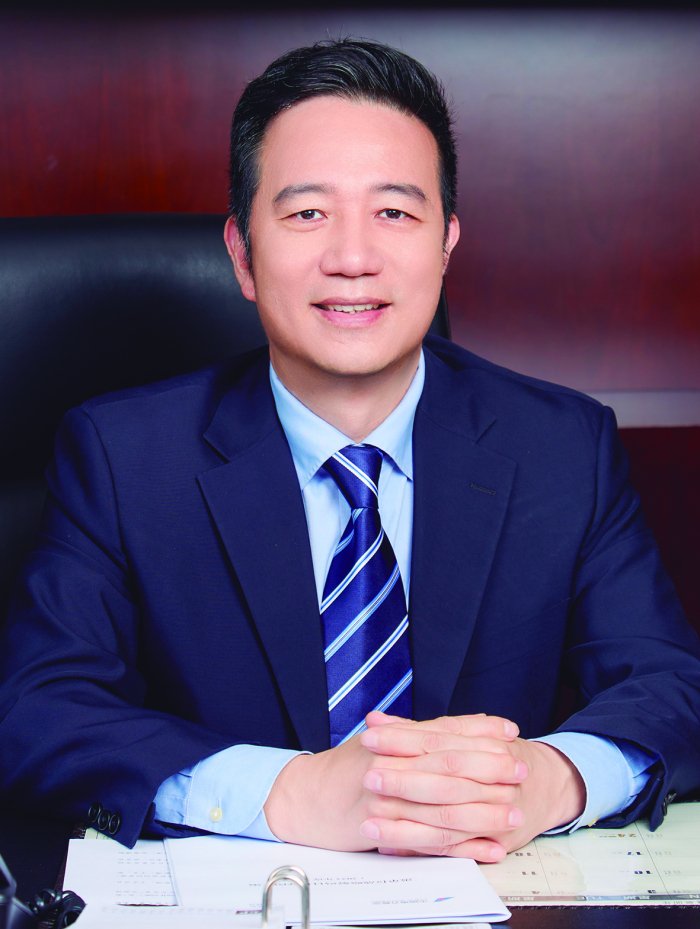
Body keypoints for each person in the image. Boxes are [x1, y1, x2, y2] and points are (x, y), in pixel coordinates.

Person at [1, 38, 699, 863]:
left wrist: (547, 779)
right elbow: (37, 710)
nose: (354, 259)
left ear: (446, 245)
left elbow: (672, 688)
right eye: (307, 214)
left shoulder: (561, 446)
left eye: (395, 213)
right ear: (242, 255)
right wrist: (288, 791)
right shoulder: (122, 458)